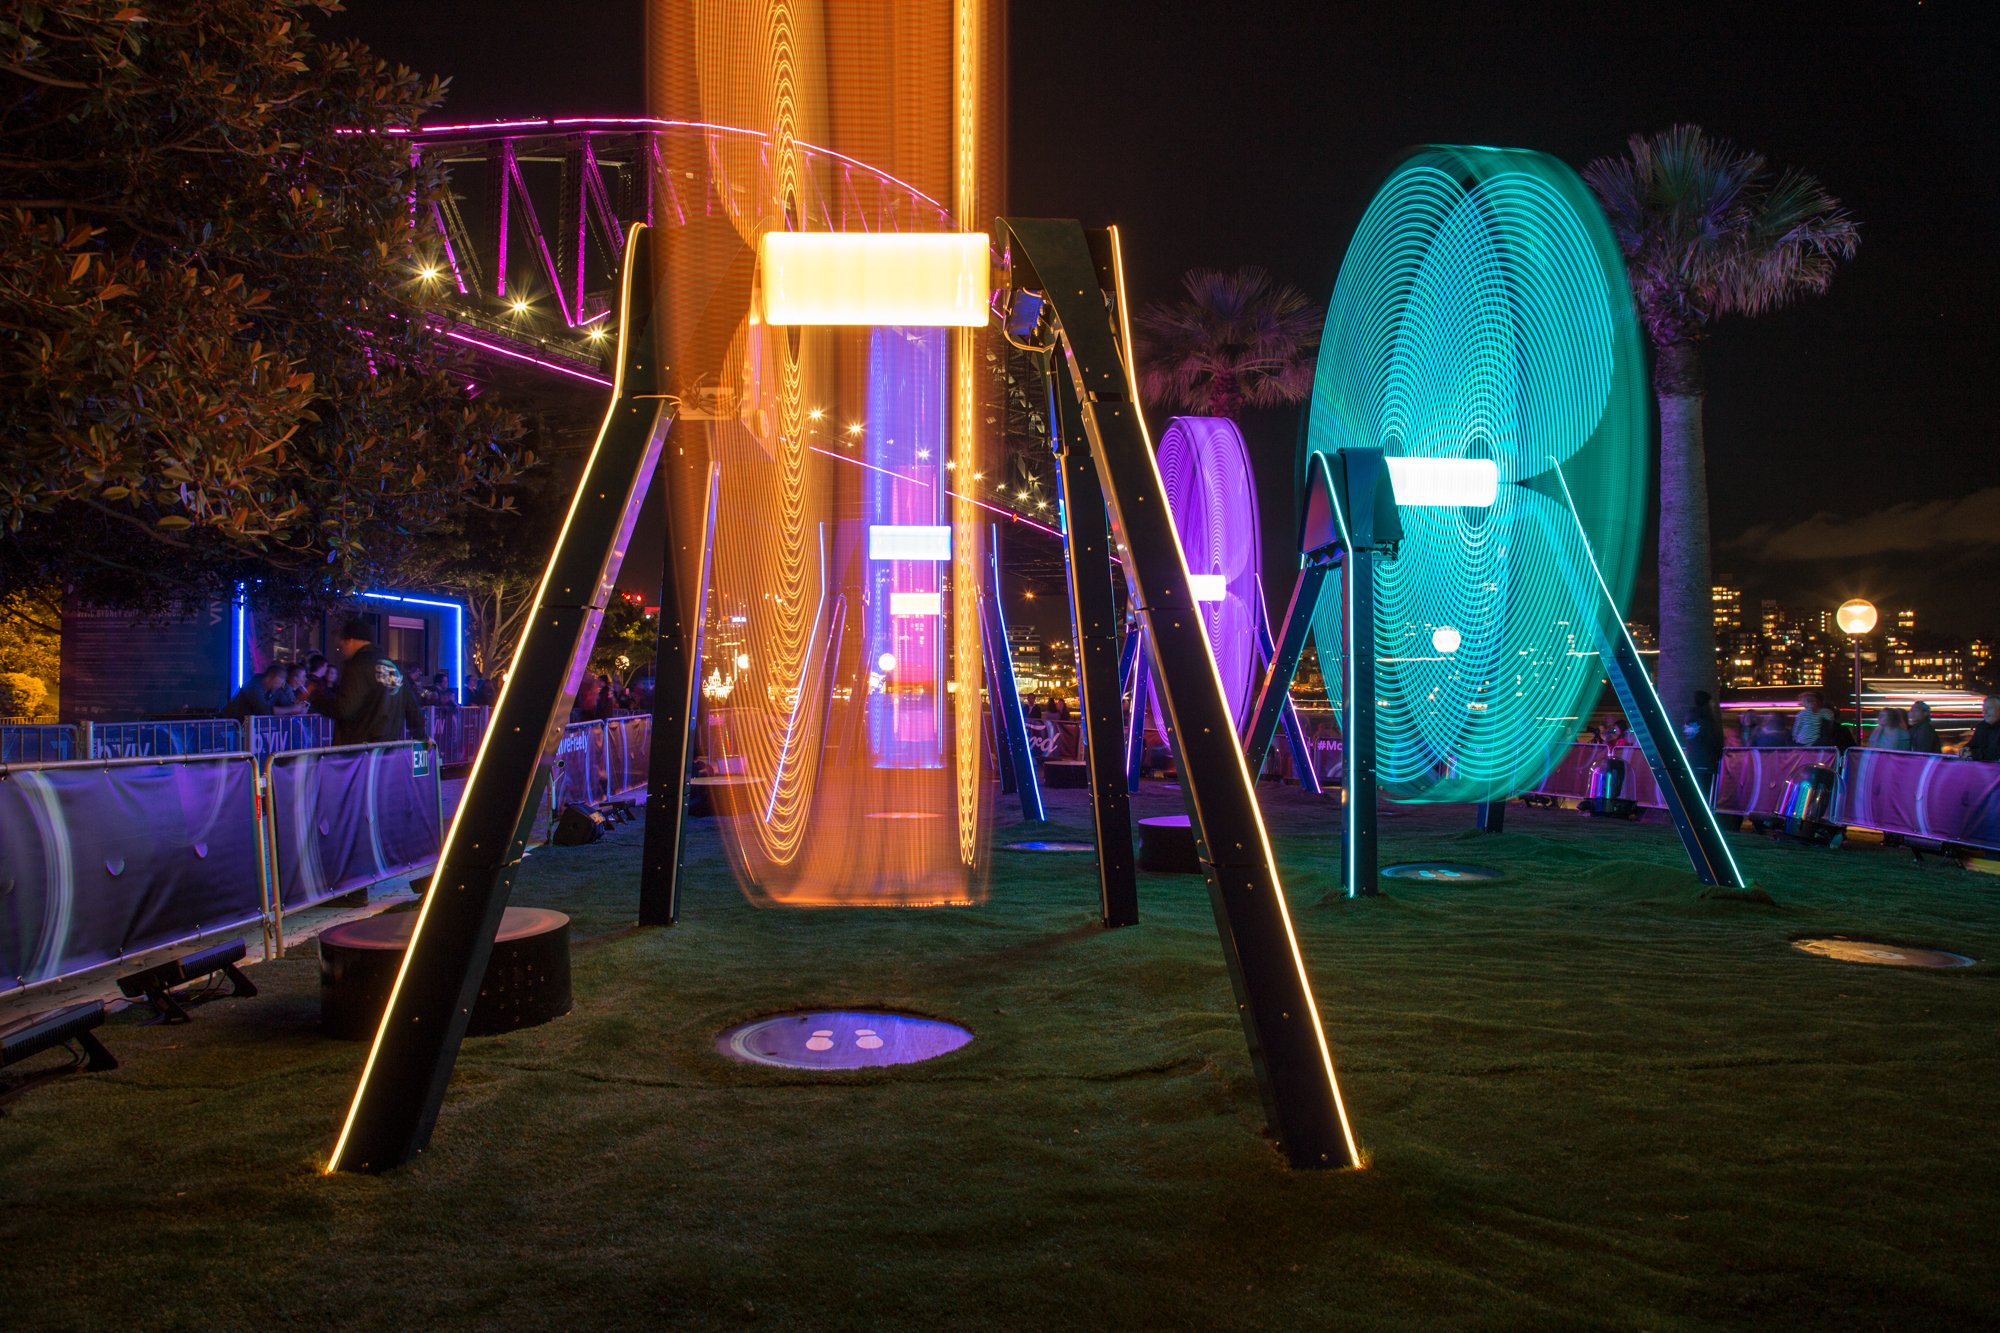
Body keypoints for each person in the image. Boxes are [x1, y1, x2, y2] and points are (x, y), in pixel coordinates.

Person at [311, 616, 417, 746]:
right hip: (387, 749)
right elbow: (412, 706)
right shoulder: (392, 667)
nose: (342, 650)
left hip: (359, 752)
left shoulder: (357, 665)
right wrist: (422, 736)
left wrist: (315, 698)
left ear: (350, 641)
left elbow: (344, 709)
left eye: (342, 644)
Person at [1681, 690, 1724, 795]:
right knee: (1705, 793)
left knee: (1693, 794)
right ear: (1707, 704)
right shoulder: (1706, 722)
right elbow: (1714, 741)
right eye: (1711, 703)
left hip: (1692, 763)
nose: (1713, 705)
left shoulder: (1690, 720)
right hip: (1706, 763)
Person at [220, 664, 285, 724]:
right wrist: (291, 709)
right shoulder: (254, 686)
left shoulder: (273, 690)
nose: (278, 686)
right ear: (268, 679)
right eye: (277, 683)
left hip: (244, 726)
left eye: (280, 684)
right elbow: (264, 710)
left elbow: (285, 702)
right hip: (231, 725)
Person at [1962, 696, 2000, 762]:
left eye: (1989, 708)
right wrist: (1964, 749)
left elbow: (1995, 753)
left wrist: (1973, 754)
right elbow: (1972, 745)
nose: (1985, 712)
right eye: (1983, 709)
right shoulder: (1982, 726)